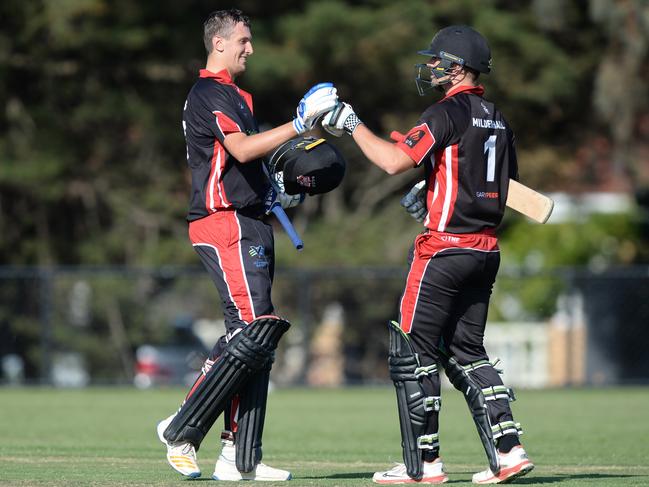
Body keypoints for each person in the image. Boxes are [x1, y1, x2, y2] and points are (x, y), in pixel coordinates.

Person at [322, 25, 534, 484]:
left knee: (412, 352)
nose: (432, 67)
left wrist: (350, 122)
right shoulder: (496, 116)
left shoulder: (446, 111)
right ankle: (509, 451)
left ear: (458, 68)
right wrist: (433, 186)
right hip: (485, 251)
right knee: (468, 352)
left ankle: (424, 465)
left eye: (439, 61)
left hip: (443, 249)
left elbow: (393, 161)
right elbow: (502, 186)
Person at [156, 9, 338, 481]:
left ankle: (240, 458)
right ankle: (181, 429)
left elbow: (245, 163)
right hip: (223, 222)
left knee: (258, 338)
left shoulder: (237, 95)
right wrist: (301, 124)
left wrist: (279, 187)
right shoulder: (208, 92)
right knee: (254, 329)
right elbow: (239, 150)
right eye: (243, 40)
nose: (250, 48)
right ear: (218, 43)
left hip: (252, 220)